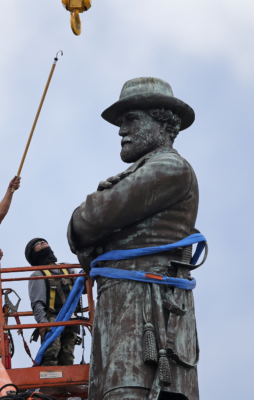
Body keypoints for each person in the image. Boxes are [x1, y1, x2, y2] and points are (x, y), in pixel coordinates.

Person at [68, 77, 200, 400]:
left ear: (162, 124)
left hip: (148, 337)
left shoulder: (170, 167)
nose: (120, 130)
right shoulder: (147, 170)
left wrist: (94, 231)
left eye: (131, 119)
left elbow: (89, 220)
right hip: (125, 333)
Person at [25, 238, 80, 366]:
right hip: (53, 319)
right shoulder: (38, 274)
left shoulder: (68, 269)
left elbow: (83, 288)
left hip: (71, 318)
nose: (43, 242)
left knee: (68, 358)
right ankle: (49, 384)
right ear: (34, 254)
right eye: (37, 244)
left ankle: (65, 385)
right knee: (51, 354)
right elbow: (37, 303)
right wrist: (43, 324)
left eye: (44, 241)